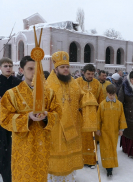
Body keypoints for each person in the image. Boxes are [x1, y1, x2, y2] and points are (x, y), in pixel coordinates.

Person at [0, 56, 62, 182]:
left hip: (42, 144)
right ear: (21, 70)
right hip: (22, 145)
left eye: (38, 68)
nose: (34, 72)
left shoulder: (49, 94)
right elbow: (4, 119)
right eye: (30, 68)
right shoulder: (12, 94)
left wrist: (46, 117)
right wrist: (27, 117)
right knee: (22, 175)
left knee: (40, 175)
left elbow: (58, 114)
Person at [46, 51, 85, 181]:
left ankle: (68, 178)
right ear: (55, 69)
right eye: (62, 67)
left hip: (73, 125)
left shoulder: (73, 83)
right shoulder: (49, 84)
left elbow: (81, 97)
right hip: (57, 128)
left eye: (67, 67)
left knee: (69, 157)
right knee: (58, 157)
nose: (66, 69)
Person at [76, 64, 104, 168]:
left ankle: (91, 160)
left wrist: (100, 113)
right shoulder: (77, 82)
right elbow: (74, 97)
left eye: (92, 74)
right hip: (81, 114)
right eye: (88, 74)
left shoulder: (97, 83)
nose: (90, 76)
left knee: (92, 138)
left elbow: (101, 99)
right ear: (83, 72)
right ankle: (81, 159)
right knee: (81, 138)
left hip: (93, 115)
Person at [96, 84, 127, 177]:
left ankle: (111, 166)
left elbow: (122, 117)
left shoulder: (119, 104)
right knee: (105, 149)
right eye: (110, 94)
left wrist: (121, 129)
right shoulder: (102, 104)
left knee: (112, 148)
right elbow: (98, 118)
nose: (112, 96)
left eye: (113, 94)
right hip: (104, 131)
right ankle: (107, 167)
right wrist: (98, 129)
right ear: (107, 93)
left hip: (114, 131)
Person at [0, 57, 22, 182]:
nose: (8, 68)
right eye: (5, 66)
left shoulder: (18, 82)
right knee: (2, 150)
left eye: (10, 66)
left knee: (12, 151)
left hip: (14, 120)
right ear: (0, 68)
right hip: (0, 120)